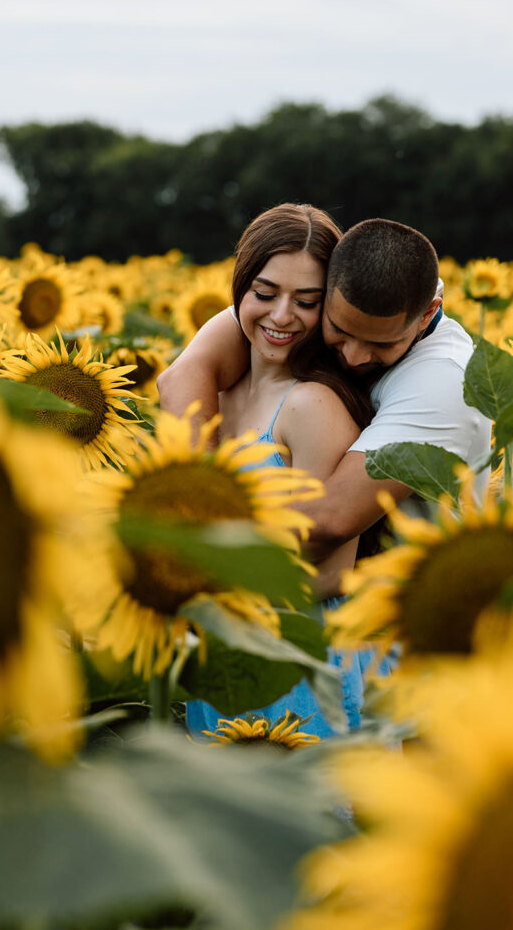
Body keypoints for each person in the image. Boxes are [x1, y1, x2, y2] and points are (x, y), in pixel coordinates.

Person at [158, 216, 492, 554]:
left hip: (420, 587)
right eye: (340, 331)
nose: (354, 357)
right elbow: (184, 375)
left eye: (382, 344)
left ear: (427, 314)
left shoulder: (445, 380)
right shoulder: (295, 307)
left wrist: (198, 531)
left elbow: (332, 517)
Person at [177, 203, 387, 739]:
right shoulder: (216, 392)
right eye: (265, 294)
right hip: (226, 655)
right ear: (240, 291)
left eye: (307, 301)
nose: (281, 316)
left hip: (297, 662)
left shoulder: (311, 405)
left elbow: (336, 570)